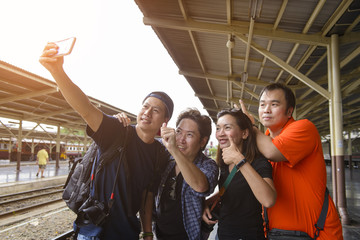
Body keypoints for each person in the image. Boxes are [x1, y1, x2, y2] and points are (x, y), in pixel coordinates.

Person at [39, 42, 173, 240]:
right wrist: (58, 71)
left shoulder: (159, 153)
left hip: (127, 233)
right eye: (145, 106)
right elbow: (85, 108)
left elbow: (147, 194)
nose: (147, 113)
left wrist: (147, 232)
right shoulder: (116, 131)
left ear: (165, 120)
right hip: (94, 231)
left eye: (156, 110)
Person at [240, 83, 343, 239]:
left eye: (274, 104)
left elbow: (272, 151)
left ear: (289, 111)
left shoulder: (304, 127)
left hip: (317, 233)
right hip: (275, 233)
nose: (266, 109)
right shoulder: (263, 139)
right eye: (262, 105)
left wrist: (250, 126)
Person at [202, 108, 276, 240]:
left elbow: (268, 200)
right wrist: (205, 203)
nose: (220, 133)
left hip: (248, 235)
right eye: (218, 128)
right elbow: (227, 189)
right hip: (223, 233)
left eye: (227, 127)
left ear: (245, 133)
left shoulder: (258, 163)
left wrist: (239, 160)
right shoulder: (225, 163)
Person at [155, 108, 219, 240]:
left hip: (188, 235)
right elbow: (143, 139)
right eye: (178, 132)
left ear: (202, 141)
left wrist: (175, 151)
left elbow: (201, 187)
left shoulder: (208, 165)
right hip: (159, 233)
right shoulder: (166, 156)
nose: (181, 140)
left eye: (189, 135)